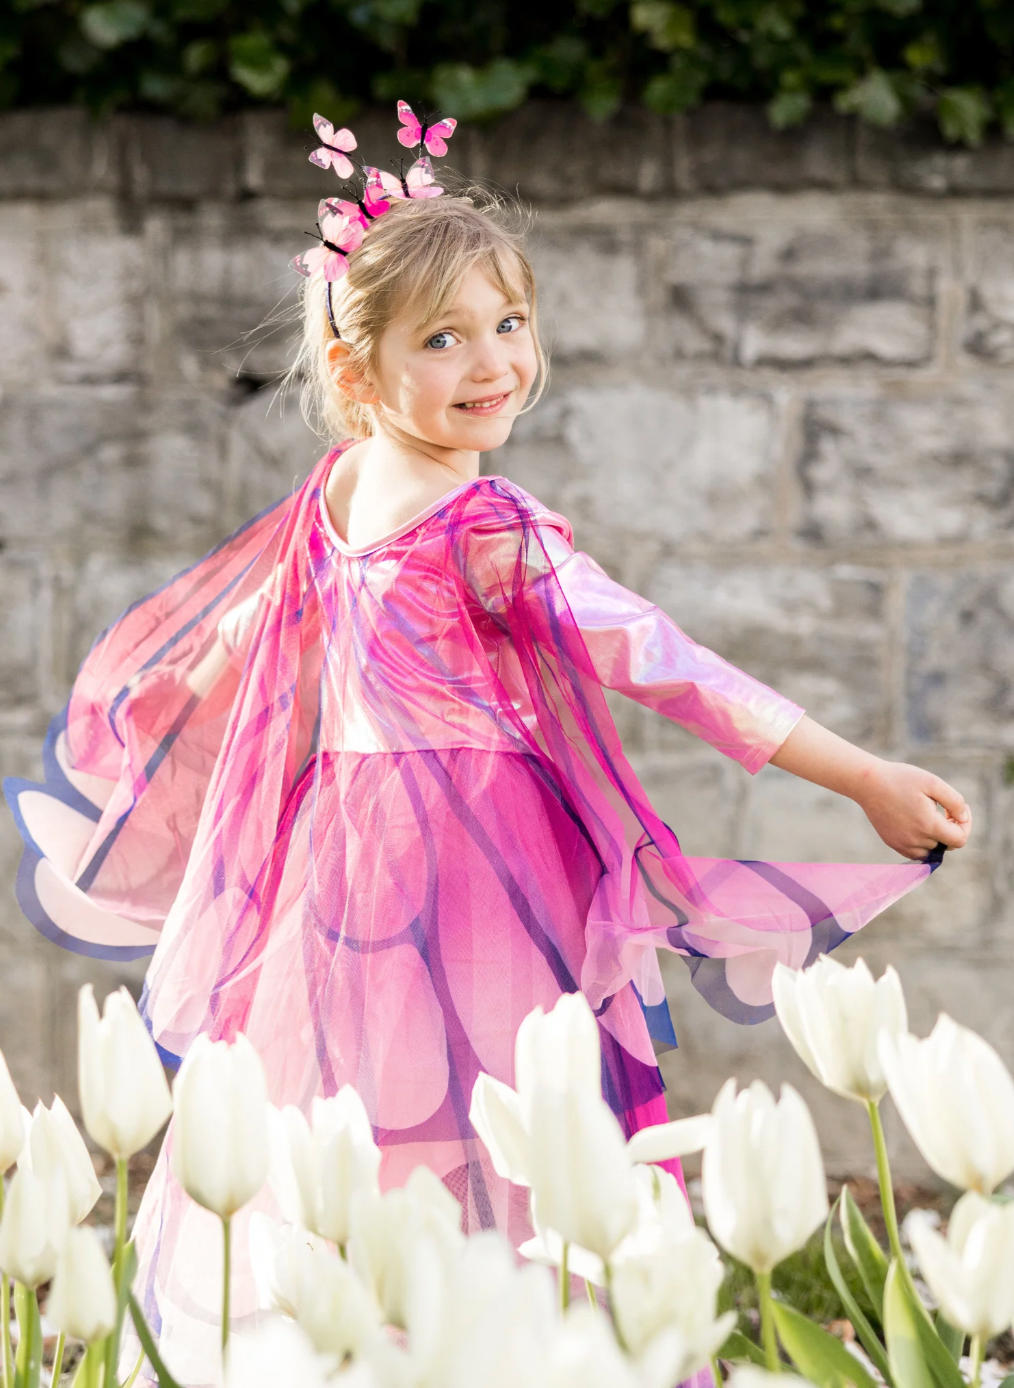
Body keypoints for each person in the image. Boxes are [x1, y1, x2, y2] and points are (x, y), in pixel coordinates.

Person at [4, 112, 970, 1385]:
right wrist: (860, 773)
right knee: (487, 1106)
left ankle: (358, 1341)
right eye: (444, 339)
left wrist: (172, 691)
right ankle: (481, 1346)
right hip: (468, 869)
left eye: (509, 325)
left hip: (340, 866)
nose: (491, 363)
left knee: (363, 1106)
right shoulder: (467, 521)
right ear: (360, 375)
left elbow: (273, 633)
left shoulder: (351, 491)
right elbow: (658, 658)